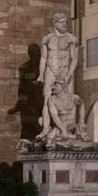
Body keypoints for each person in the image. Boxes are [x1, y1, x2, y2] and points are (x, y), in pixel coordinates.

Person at [37, 12, 80, 141]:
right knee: (46, 99)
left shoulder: (71, 39)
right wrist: (40, 75)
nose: (64, 24)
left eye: (65, 22)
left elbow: (74, 59)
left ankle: (68, 129)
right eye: (61, 22)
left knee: (68, 100)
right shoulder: (47, 39)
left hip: (65, 71)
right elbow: (44, 58)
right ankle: (45, 128)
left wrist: (70, 74)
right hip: (50, 70)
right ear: (55, 23)